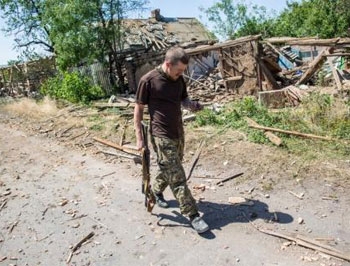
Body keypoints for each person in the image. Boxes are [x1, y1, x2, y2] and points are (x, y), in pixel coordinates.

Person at [133, 47, 209, 234]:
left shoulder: (179, 80)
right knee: (177, 176)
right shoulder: (148, 81)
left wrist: (192, 106)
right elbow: (139, 109)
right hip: (160, 134)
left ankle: (154, 190)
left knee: (171, 167)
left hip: (178, 131)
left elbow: (183, 100)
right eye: (179, 70)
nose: (181, 74)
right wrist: (139, 138)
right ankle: (192, 215)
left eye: (183, 71)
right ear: (168, 64)